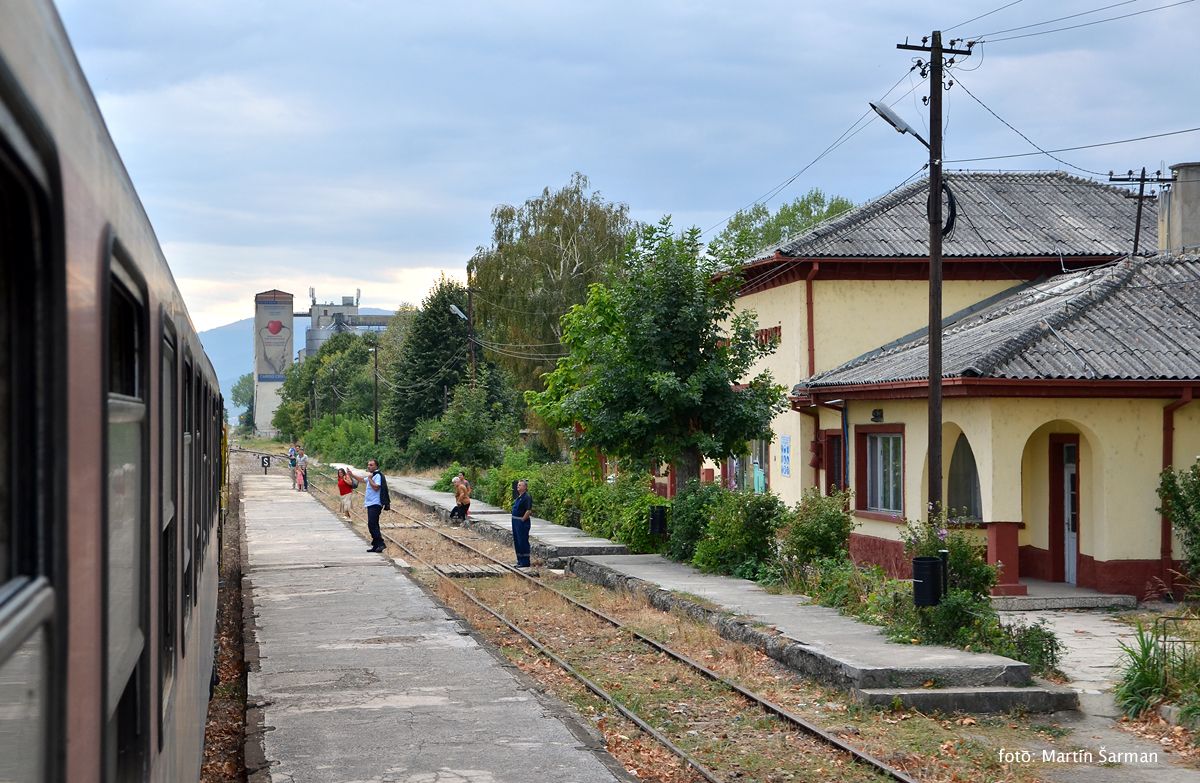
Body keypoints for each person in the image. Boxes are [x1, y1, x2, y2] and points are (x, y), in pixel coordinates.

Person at [361, 458, 390, 553]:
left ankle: (380, 543)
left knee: (372, 524)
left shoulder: (377, 475)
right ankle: (376, 545)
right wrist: (351, 474)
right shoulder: (373, 475)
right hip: (371, 503)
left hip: (375, 503)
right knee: (374, 524)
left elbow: (376, 487)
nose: (369, 466)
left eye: (371, 465)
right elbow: (362, 480)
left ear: (376, 466)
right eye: (368, 464)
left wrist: (369, 479)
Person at [511, 479, 533, 567]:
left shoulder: (527, 497)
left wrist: (522, 520)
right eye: (518, 485)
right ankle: (519, 560)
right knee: (517, 541)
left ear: (525, 487)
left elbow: (528, 510)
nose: (518, 486)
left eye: (520, 485)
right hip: (515, 521)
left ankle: (525, 561)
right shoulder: (519, 496)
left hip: (521, 522)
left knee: (522, 541)